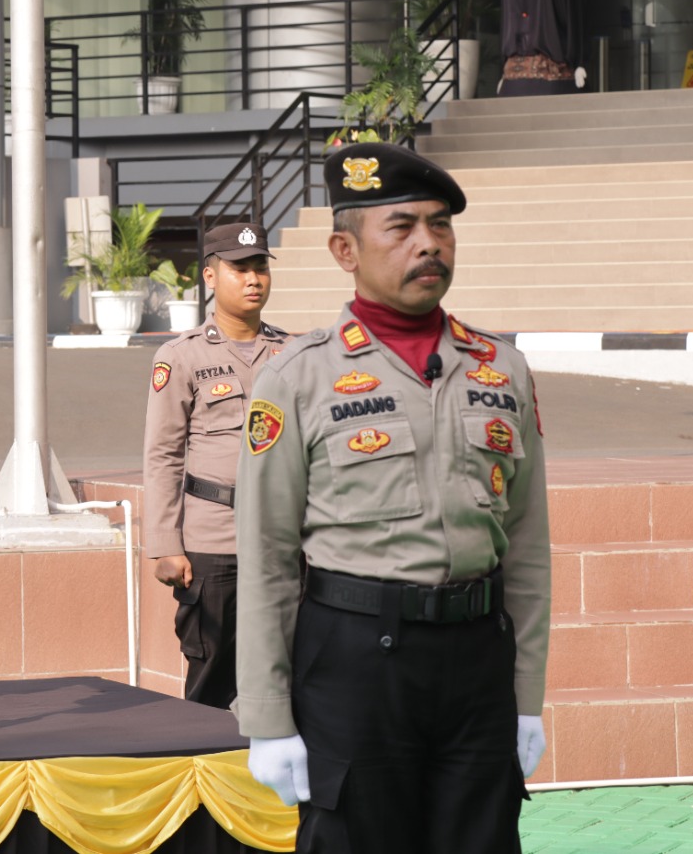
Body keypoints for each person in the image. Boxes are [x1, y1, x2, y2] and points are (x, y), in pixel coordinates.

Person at [234, 142, 551, 853]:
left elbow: (528, 548)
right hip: (354, 664)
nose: (429, 245)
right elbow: (266, 556)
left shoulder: (502, 369)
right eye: (402, 227)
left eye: (440, 226)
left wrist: (526, 699)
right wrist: (267, 716)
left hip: (477, 662)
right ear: (345, 249)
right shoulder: (297, 378)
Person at [143, 222, 285, 709]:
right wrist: (165, 544)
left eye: (260, 267)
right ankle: (204, 783)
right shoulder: (181, 357)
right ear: (210, 276)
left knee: (289, 678)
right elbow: (163, 455)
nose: (253, 279)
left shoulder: (295, 354)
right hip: (213, 540)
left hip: (284, 541)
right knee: (211, 685)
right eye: (239, 268)